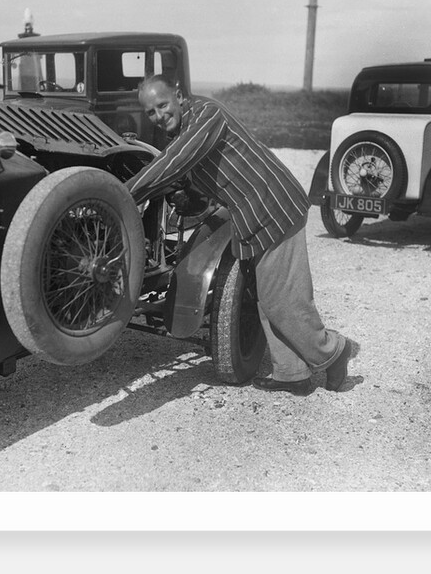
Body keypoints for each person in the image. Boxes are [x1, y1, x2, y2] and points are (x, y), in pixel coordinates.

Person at [126, 74, 356, 394]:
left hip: (274, 207)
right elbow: (199, 193)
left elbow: (175, 160)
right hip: (253, 217)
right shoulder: (184, 133)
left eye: (162, 105)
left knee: (282, 299)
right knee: (267, 297)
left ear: (178, 95)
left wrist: (125, 192)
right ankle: (292, 374)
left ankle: (333, 350)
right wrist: (184, 198)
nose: (159, 115)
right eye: (150, 112)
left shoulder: (207, 115)